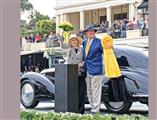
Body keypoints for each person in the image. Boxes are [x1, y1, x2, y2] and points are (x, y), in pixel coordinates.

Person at [83, 24, 112, 113]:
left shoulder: (99, 42)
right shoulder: (84, 42)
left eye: (93, 31)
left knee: (96, 90)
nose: (91, 33)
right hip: (87, 69)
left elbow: (106, 51)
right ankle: (92, 106)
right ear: (86, 33)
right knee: (89, 90)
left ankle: (96, 109)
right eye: (90, 31)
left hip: (96, 69)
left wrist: (109, 47)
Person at [67, 34, 86, 114]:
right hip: (72, 74)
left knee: (81, 93)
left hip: (81, 73)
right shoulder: (68, 50)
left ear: (77, 41)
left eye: (75, 40)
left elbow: (85, 59)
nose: (74, 42)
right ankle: (73, 110)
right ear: (70, 43)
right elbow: (67, 60)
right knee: (73, 93)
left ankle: (81, 111)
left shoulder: (82, 49)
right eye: (72, 40)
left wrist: (80, 64)